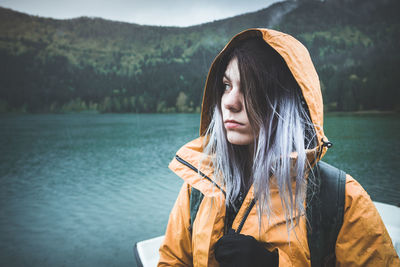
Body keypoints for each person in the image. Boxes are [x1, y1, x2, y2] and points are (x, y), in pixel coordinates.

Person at [158, 28, 399, 266]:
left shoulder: (340, 198)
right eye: (226, 85)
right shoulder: (200, 183)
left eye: (251, 88)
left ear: (285, 101)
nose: (229, 102)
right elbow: (172, 261)